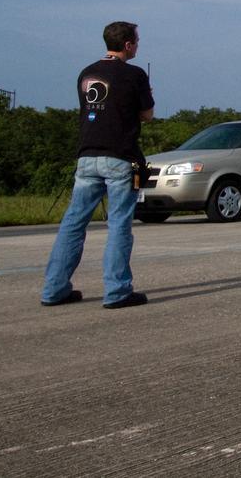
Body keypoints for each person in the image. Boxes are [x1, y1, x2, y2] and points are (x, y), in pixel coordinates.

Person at [41, 21, 154, 309]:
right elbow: (146, 114)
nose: (138, 45)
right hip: (119, 157)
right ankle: (117, 290)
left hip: (86, 156)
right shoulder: (135, 75)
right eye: (136, 41)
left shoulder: (86, 73)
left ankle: (54, 289)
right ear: (127, 45)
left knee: (73, 223)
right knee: (118, 224)